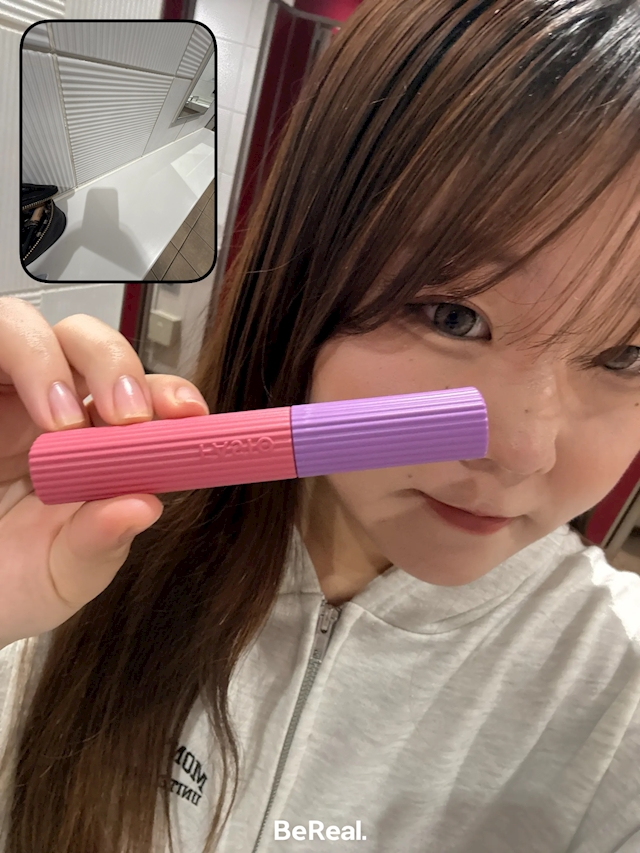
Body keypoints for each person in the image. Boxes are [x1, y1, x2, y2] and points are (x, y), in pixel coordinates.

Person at [2, 0, 640, 850]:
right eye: (453, 315)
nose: (523, 450)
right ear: (306, 273)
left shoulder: (618, 691)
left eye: (628, 356)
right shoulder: (76, 549)